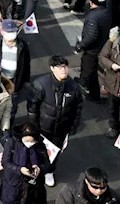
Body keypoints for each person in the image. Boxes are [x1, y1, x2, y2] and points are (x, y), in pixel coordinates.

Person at [26, 55, 84, 185]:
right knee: (35, 149)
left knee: (55, 151)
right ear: (52, 68)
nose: (63, 70)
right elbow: (32, 107)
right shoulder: (41, 84)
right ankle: (33, 170)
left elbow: (78, 108)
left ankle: (49, 171)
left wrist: (73, 126)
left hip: (61, 129)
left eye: (65, 66)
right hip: (42, 127)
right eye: (59, 67)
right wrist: (33, 126)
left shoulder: (73, 87)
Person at [0, 122, 51, 204]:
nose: (29, 144)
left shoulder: (40, 146)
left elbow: (47, 165)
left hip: (34, 186)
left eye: (32, 141)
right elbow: (5, 162)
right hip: (14, 184)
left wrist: (39, 169)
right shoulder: (11, 143)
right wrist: (19, 169)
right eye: (26, 141)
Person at [76, 0, 111, 101]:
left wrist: (80, 45)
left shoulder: (93, 17)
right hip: (102, 45)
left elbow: (91, 36)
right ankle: (86, 84)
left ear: (91, 2)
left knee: (89, 69)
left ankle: (90, 92)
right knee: (91, 68)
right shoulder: (107, 11)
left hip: (92, 49)